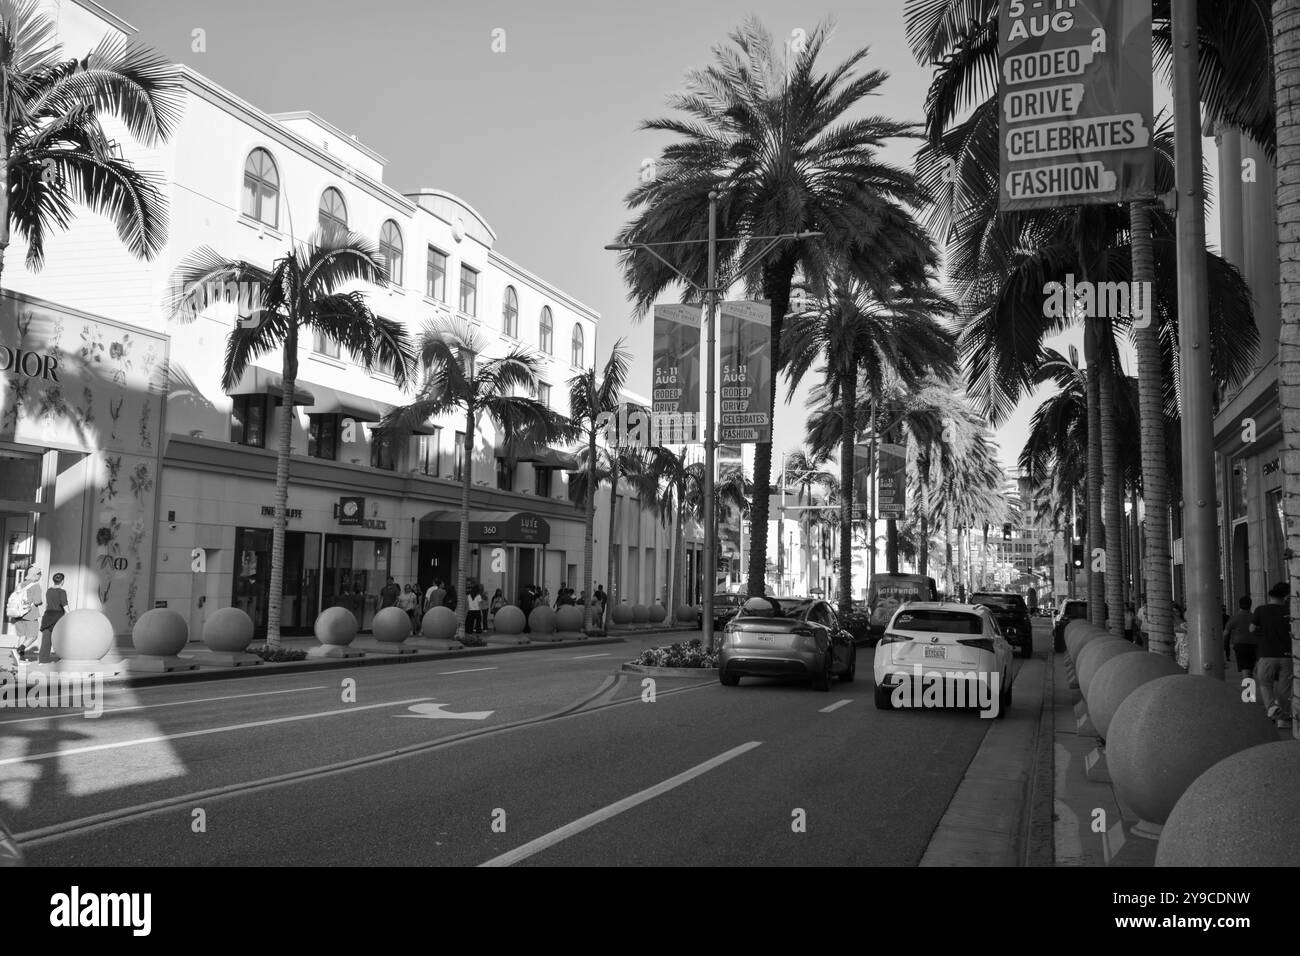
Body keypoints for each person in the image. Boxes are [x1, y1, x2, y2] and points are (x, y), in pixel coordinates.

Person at [1251, 582, 1294, 727]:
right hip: (1287, 656)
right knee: (1285, 689)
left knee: (1265, 683)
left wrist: (1262, 633)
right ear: (1285, 597)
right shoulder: (1290, 611)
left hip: (1266, 654)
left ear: (1269, 596)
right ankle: (1284, 719)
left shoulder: (1260, 610)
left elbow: (1252, 629)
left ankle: (1271, 708)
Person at [8, 567, 43, 664]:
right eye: (40, 575)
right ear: (35, 575)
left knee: (22, 636)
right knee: (33, 636)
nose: (40, 577)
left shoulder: (20, 585)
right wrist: (40, 602)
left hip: (18, 614)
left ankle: (18, 660)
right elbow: (37, 601)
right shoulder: (36, 586)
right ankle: (18, 651)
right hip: (30, 614)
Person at [37, 572, 69, 664]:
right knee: (60, 638)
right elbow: (64, 604)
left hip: (47, 616)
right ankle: (62, 658)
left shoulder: (49, 590)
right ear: (62, 581)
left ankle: (43, 660)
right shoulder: (62, 592)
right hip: (57, 617)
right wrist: (70, 614)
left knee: (46, 639)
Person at [1224, 595, 1255, 675]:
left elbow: (1226, 632)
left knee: (1245, 668)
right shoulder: (1254, 617)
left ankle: (1248, 686)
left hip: (1240, 645)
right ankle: (1250, 685)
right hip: (1254, 645)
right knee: (1251, 668)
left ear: (1239, 605)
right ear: (1250, 605)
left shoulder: (1235, 617)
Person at [1172, 602, 1189, 669]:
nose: (1174, 614)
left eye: (1175, 611)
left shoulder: (1184, 624)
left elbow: (1183, 628)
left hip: (1185, 652)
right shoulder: (1173, 624)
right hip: (1178, 652)